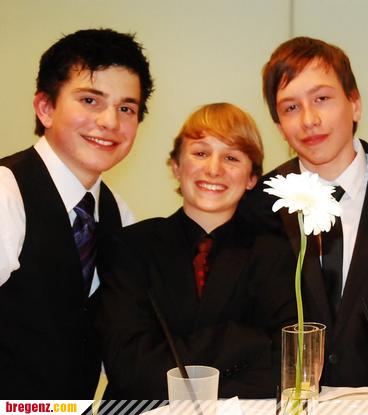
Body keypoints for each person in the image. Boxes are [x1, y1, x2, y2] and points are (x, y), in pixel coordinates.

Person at [241, 37, 368, 387]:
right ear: (279, 127)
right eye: (291, 108)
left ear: (355, 104)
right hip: (292, 398)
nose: (309, 120)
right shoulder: (261, 201)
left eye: (322, 99)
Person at [97, 103, 296, 399]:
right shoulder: (131, 247)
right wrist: (239, 340)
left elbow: (286, 370)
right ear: (176, 166)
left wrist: (179, 367)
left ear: (252, 178)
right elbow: (130, 370)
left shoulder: (276, 254)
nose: (214, 169)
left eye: (231, 157)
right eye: (201, 153)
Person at [0, 28, 153, 398]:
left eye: (126, 108)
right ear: (45, 108)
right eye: (90, 100)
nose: (110, 122)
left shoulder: (118, 213)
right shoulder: (6, 192)